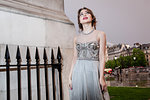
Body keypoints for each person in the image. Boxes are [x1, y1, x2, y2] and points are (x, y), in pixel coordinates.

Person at [68, 7, 109, 100]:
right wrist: (70, 77)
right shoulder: (76, 38)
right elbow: (75, 58)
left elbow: (102, 56)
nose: (84, 15)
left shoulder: (100, 34)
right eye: (81, 14)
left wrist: (101, 77)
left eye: (87, 13)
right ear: (79, 20)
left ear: (92, 17)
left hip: (93, 71)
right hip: (78, 72)